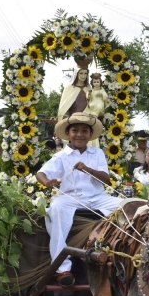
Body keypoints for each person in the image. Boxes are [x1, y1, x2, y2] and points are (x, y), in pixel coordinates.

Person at [37, 114, 122, 287]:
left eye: (84, 131)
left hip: (97, 198)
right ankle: (62, 269)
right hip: (70, 198)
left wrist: (88, 169)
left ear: (90, 135)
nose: (79, 134)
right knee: (55, 209)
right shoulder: (61, 155)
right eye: (75, 130)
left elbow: (105, 180)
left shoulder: (97, 153)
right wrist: (47, 182)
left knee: (126, 206)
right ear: (67, 134)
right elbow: (41, 173)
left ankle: (121, 259)